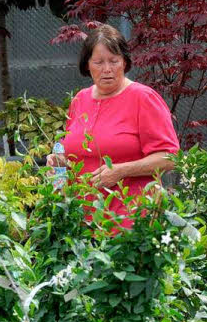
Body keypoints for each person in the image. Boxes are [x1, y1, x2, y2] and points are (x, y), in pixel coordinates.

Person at [48, 25, 179, 216]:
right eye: (99, 62)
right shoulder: (79, 100)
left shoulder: (143, 98)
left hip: (131, 219)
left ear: (124, 63)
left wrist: (121, 171)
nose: (107, 69)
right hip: (82, 220)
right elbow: (73, 152)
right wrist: (59, 160)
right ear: (87, 64)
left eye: (114, 61)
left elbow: (170, 158)